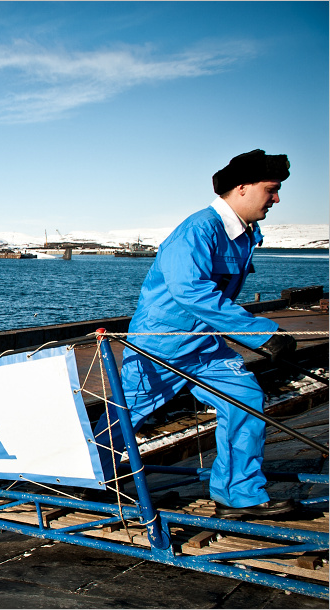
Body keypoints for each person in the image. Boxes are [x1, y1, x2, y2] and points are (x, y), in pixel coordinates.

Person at [92, 149, 295, 519]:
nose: (277, 198)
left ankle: (239, 495)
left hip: (205, 344)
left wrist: (257, 335)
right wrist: (263, 334)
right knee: (123, 417)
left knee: (245, 398)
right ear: (243, 188)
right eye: (272, 189)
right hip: (162, 343)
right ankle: (87, 483)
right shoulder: (198, 230)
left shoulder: (246, 233)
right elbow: (191, 290)